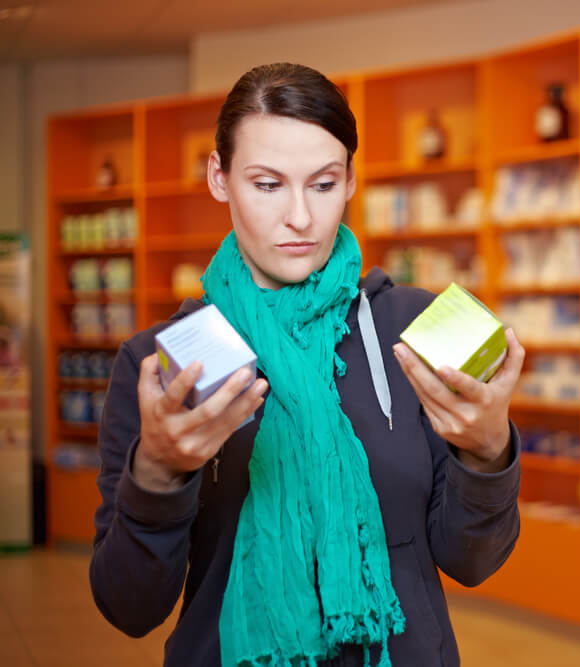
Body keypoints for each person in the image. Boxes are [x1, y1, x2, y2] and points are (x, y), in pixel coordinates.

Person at [89, 62, 524, 667]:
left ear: (350, 180)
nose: (300, 217)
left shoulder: (420, 328)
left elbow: (474, 562)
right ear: (220, 178)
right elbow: (128, 607)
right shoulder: (167, 360)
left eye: (322, 184)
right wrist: (158, 475)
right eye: (267, 184)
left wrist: (486, 453)